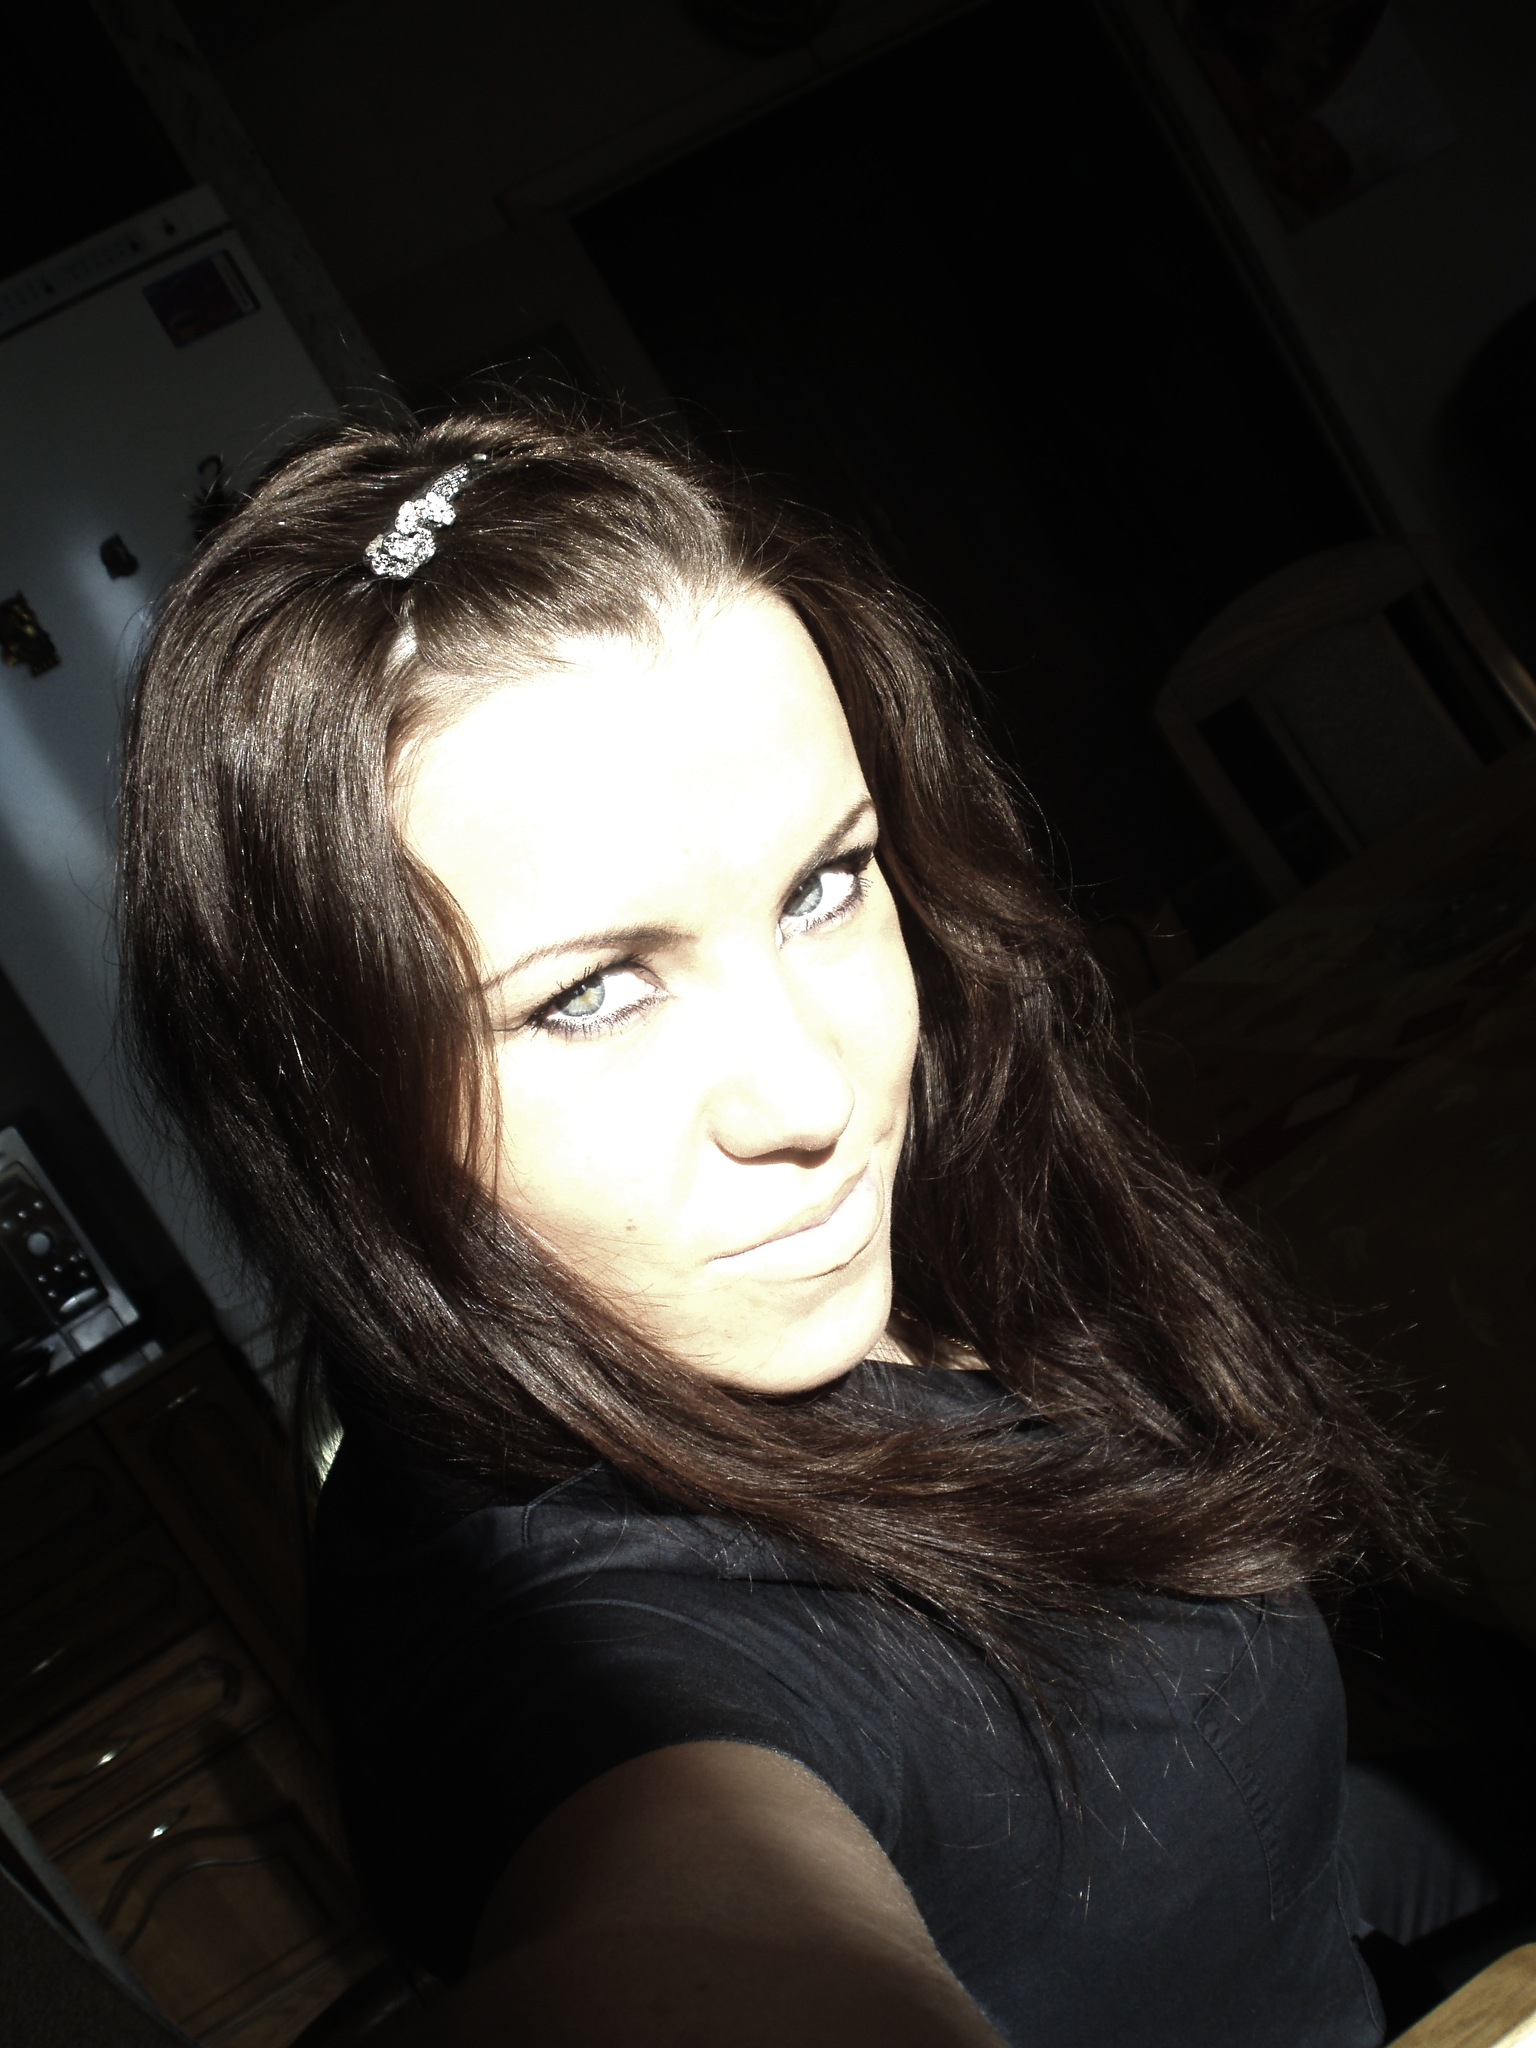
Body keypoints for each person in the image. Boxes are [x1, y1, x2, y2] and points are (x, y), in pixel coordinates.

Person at [118, 407, 1447, 2047]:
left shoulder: (930, 1208)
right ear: (330, 1103)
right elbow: (682, 1925)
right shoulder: (594, 1645)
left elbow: (1267, 1864)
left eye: (824, 888)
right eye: (591, 995)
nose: (817, 1091)